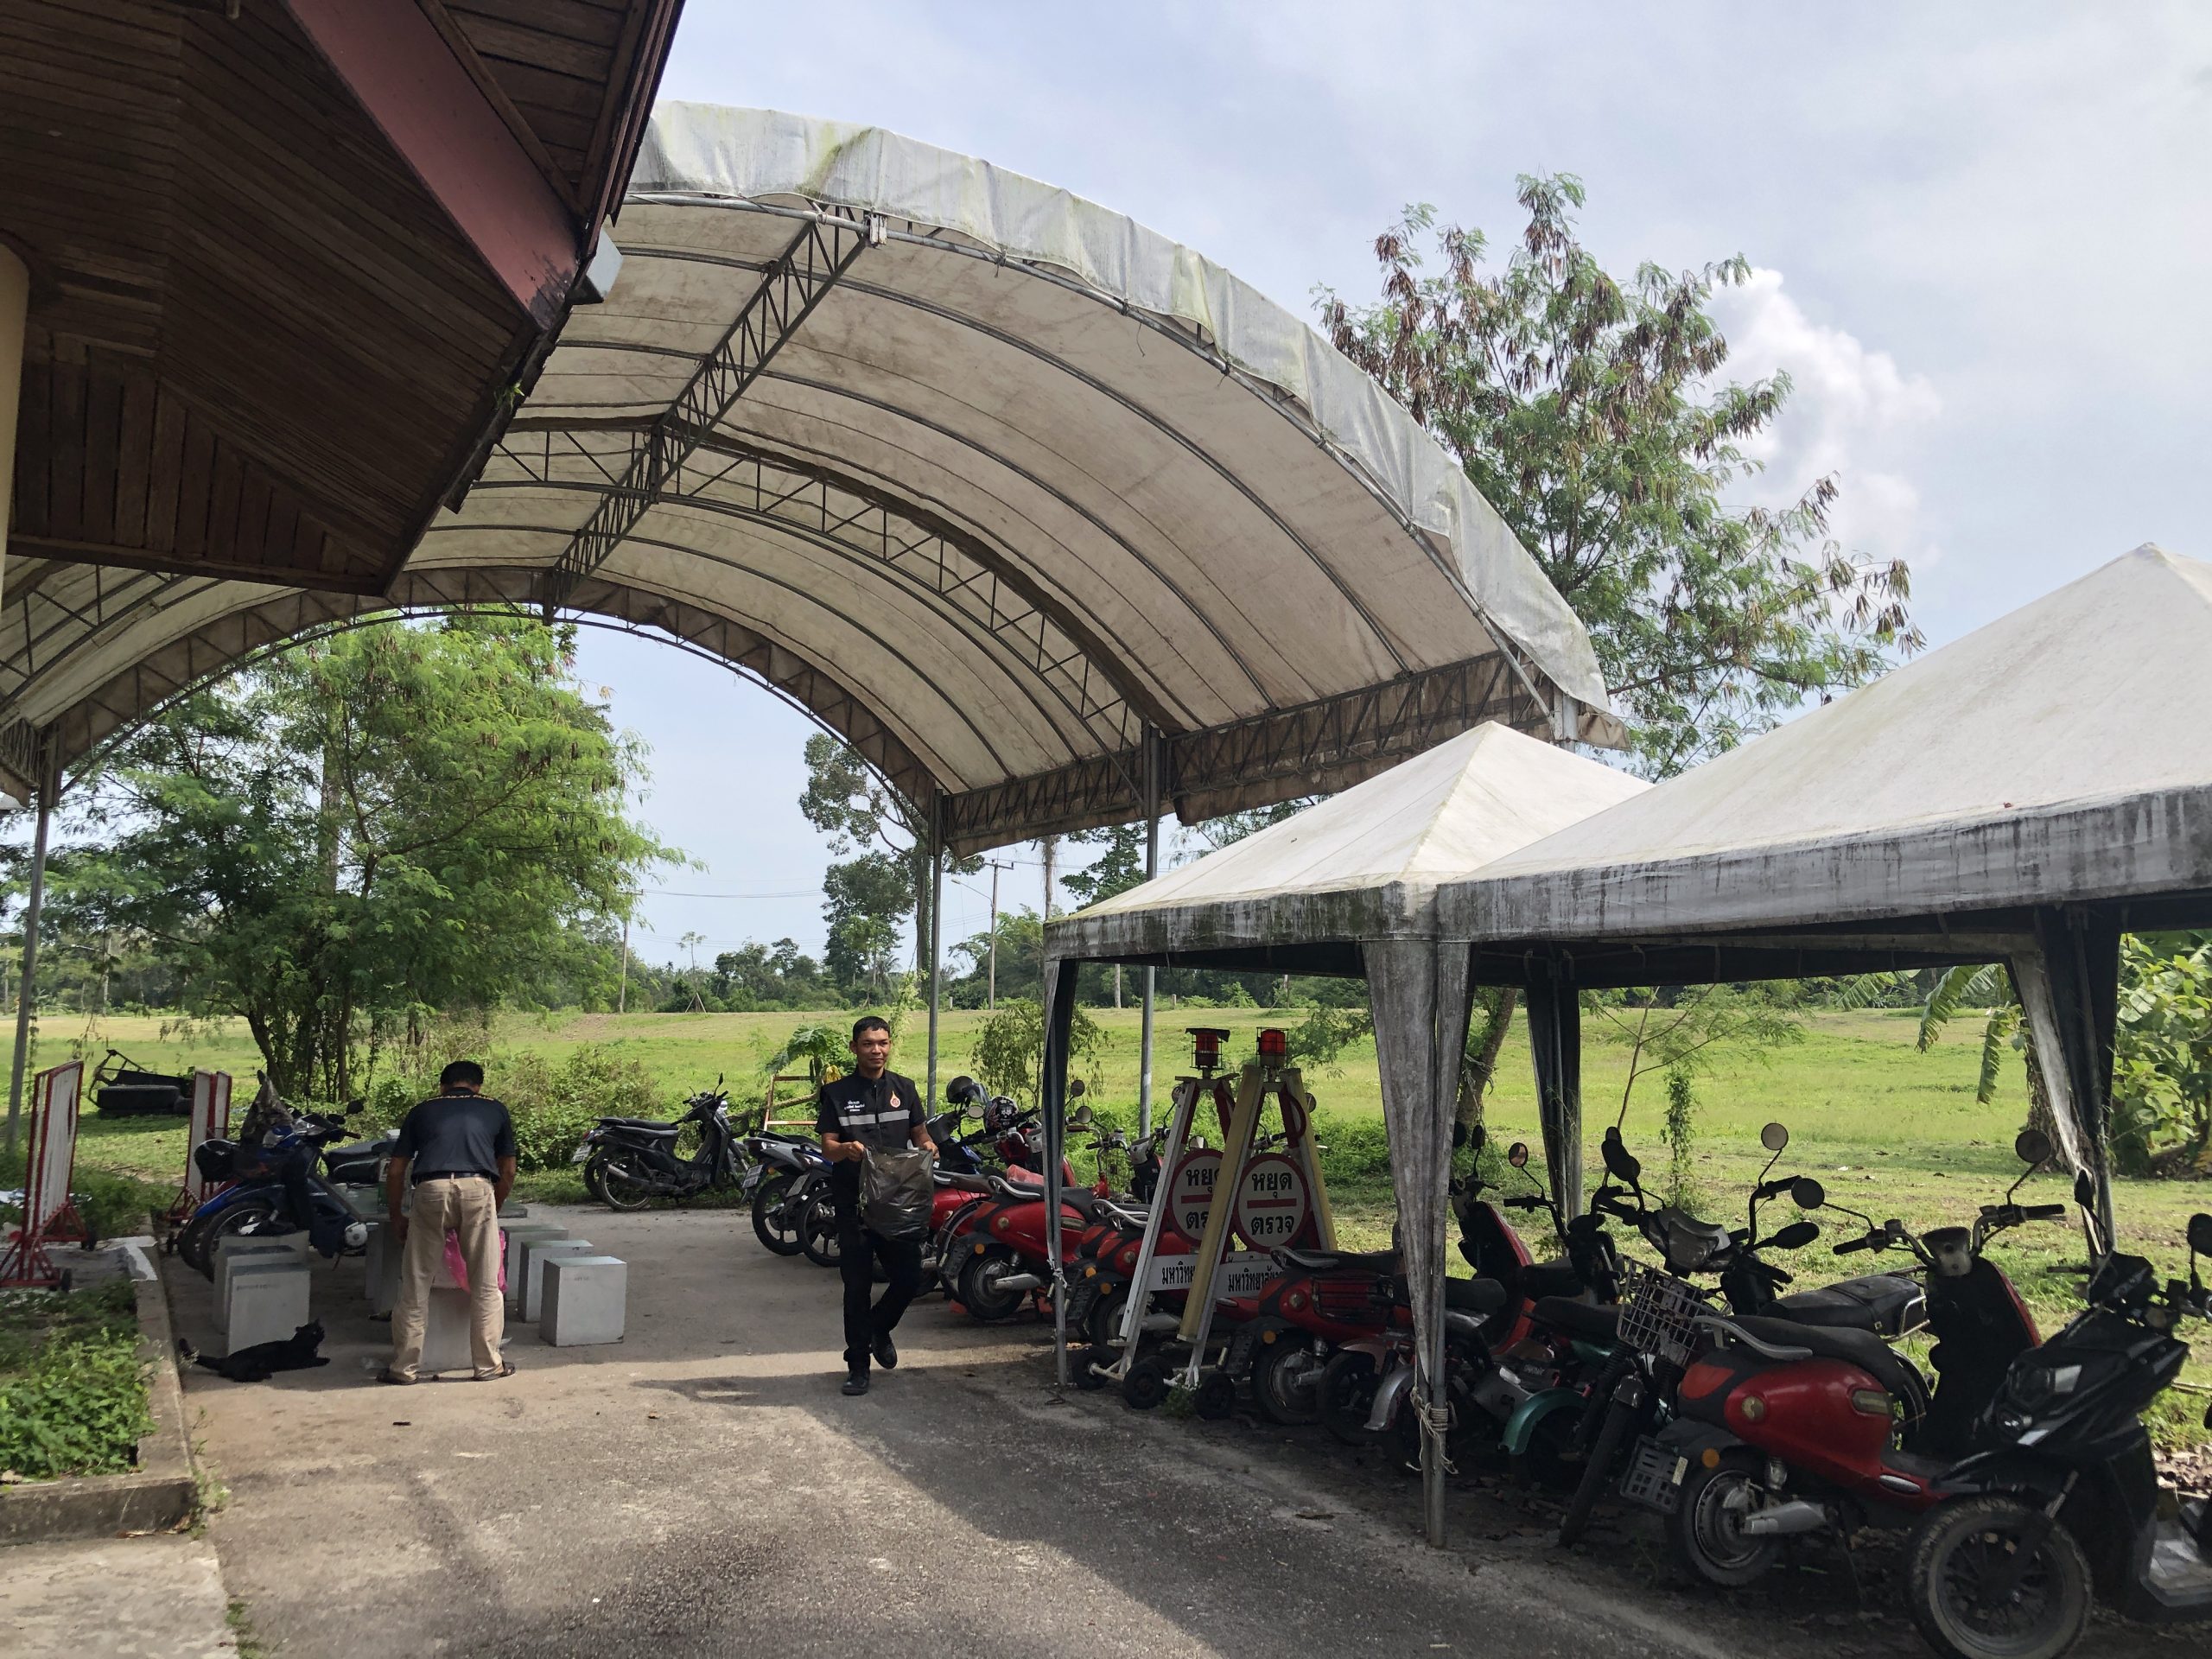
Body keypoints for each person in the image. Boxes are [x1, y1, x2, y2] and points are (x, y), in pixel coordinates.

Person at [816, 1014, 936, 1395]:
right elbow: (827, 1147)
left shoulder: (905, 1088)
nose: (876, 1050)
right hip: (854, 1205)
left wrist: (929, 1147)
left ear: (890, 1046)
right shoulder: (836, 1093)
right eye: (868, 1044)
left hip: (897, 1203)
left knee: (910, 1278)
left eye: (882, 1043)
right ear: (855, 1048)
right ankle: (858, 1367)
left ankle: (878, 1328)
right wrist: (845, 1149)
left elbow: (920, 1135)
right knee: (857, 1286)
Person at [381, 1060, 518, 1384]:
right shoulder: (495, 1109)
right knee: (486, 1285)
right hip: (478, 1187)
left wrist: (396, 1215)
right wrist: (494, 1206)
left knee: (416, 1284)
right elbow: (508, 1169)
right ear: (477, 1087)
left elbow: (396, 1170)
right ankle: (488, 1366)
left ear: (442, 1086)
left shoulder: (422, 1110)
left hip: (430, 1189)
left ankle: (404, 1369)